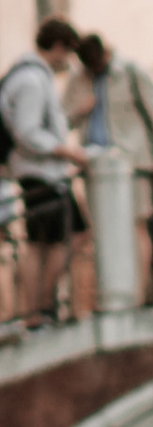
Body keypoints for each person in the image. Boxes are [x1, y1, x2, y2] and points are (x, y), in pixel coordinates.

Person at [1, 19, 89, 324]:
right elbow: (28, 131)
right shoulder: (32, 80)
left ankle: (37, 307)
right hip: (41, 173)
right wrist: (65, 151)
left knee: (42, 242)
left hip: (35, 171)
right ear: (58, 47)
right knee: (68, 236)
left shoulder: (25, 75)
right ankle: (40, 305)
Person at [77, 31, 153, 302]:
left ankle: (138, 293)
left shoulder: (131, 72)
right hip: (96, 164)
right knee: (103, 229)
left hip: (133, 162)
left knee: (137, 225)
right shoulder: (81, 78)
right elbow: (65, 115)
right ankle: (110, 293)